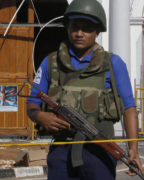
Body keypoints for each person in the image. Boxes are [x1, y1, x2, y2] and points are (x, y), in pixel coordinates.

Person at [26, 0, 144, 179]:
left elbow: (129, 108)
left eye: (87, 28)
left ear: (97, 32)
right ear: (67, 27)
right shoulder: (51, 62)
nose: (79, 33)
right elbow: (32, 102)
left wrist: (133, 148)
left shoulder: (113, 64)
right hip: (61, 149)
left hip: (100, 151)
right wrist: (40, 116)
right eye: (75, 27)